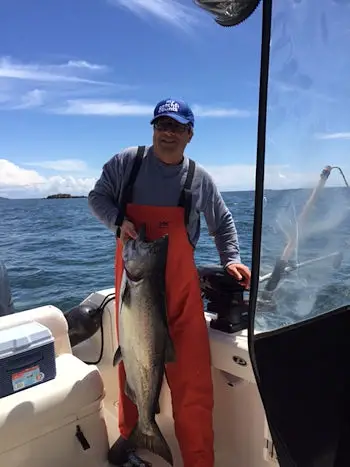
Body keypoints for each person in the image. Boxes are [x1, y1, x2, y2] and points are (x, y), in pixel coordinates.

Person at [88, 98, 251, 467]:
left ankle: (198, 459)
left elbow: (222, 223)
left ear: (189, 135)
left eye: (176, 127)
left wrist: (233, 259)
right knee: (130, 363)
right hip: (137, 289)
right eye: (162, 125)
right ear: (153, 129)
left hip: (181, 298)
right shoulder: (127, 164)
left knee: (194, 383)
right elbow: (97, 197)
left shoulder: (198, 179)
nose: (168, 133)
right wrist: (117, 222)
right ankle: (132, 436)